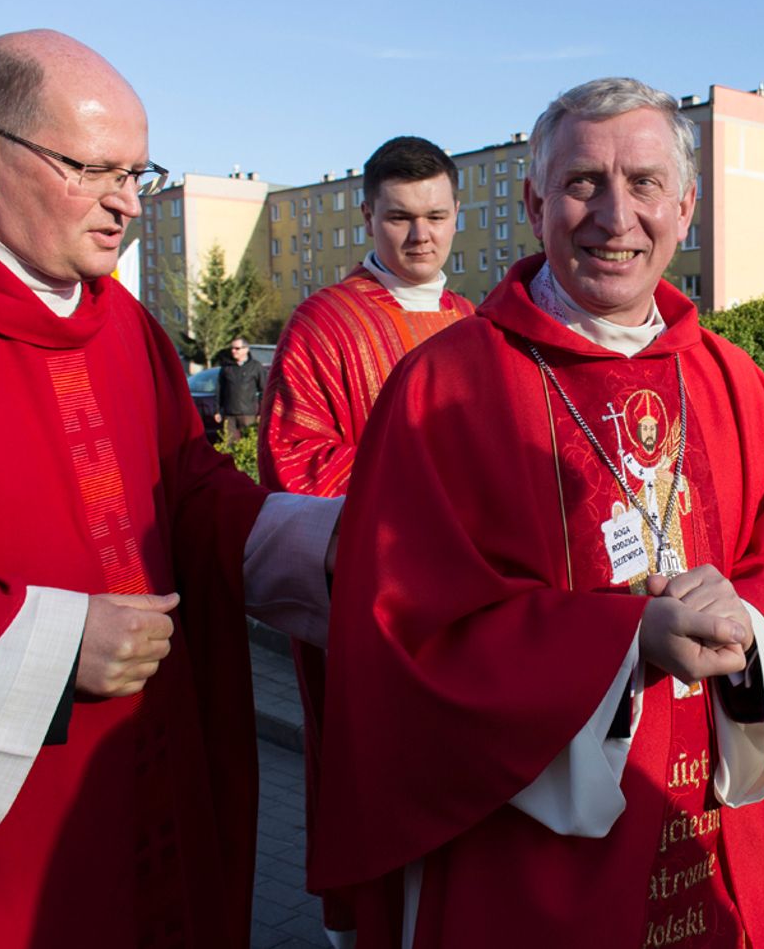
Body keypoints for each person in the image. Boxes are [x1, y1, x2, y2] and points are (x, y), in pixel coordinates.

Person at [308, 77, 764, 948]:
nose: (615, 217)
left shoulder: (731, 380)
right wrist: (619, 644)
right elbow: (400, 631)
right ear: (535, 206)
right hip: (526, 861)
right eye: (581, 184)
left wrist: (749, 621)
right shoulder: (445, 387)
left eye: (644, 184)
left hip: (710, 827)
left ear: (686, 208)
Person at [0, 30, 338, 949]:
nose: (128, 203)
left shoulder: (124, 326)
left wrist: (327, 542)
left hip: (149, 766)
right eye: (95, 170)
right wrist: (52, 650)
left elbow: (188, 492)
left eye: (138, 173)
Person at [258, 135, 474, 944]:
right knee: (372, 783)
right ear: (367, 217)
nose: (420, 236)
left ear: (457, 214)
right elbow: (297, 461)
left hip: (474, 607)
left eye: (436, 216)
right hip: (373, 606)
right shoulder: (325, 323)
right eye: (399, 217)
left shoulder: (477, 323)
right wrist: (439, 500)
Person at [217, 335, 266, 442]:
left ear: (246, 349)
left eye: (237, 348)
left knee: (249, 442)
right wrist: (217, 410)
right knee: (230, 444)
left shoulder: (255, 367)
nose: (233, 351)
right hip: (229, 414)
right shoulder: (226, 367)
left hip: (248, 414)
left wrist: (261, 412)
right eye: (232, 348)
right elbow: (220, 389)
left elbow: (264, 390)